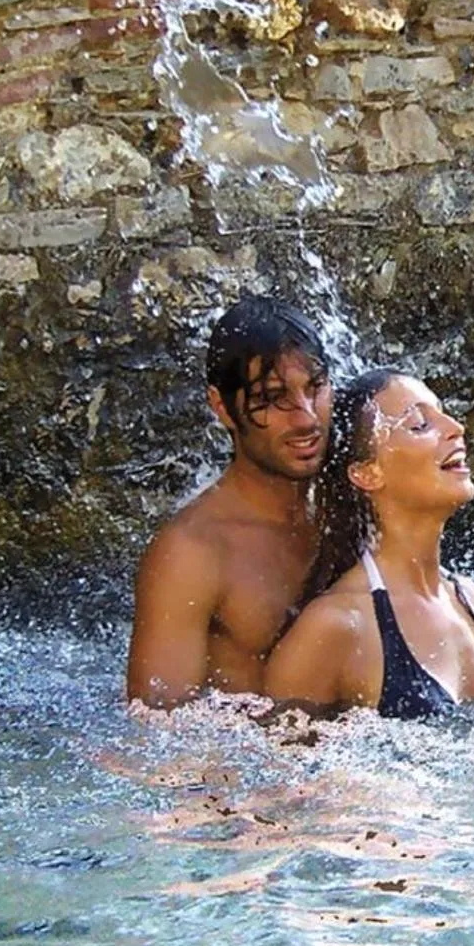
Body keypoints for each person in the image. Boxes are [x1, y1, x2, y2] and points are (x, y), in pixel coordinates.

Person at [264, 369, 474, 716]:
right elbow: (277, 748)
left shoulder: (471, 599)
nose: (456, 427)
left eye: (443, 413)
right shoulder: (335, 625)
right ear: (367, 473)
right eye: (419, 425)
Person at [127, 296, 334, 709]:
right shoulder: (192, 553)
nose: (307, 417)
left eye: (316, 388)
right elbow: (158, 725)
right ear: (222, 407)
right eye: (273, 398)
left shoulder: (351, 503)